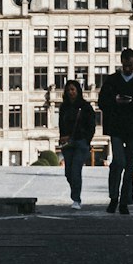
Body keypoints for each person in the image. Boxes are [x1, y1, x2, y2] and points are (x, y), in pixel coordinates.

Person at [97, 49, 133, 215]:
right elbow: (102, 102)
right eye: (125, 64)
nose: (128, 67)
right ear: (121, 62)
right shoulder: (112, 80)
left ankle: (124, 201)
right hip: (116, 127)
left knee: (130, 165)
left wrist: (132, 102)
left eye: (130, 64)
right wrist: (115, 100)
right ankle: (114, 196)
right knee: (118, 162)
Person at [59, 79, 97, 208]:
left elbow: (92, 125)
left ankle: (76, 199)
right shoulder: (63, 107)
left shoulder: (85, 107)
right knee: (68, 172)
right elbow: (61, 124)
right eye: (68, 90)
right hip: (67, 143)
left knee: (76, 170)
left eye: (73, 89)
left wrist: (87, 140)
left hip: (81, 142)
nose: (70, 92)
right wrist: (62, 137)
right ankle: (75, 191)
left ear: (78, 91)